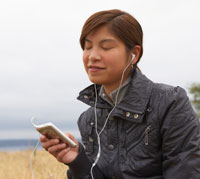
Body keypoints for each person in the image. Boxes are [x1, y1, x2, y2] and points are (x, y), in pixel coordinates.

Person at [40, 9, 200, 179]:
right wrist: (78, 161)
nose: (92, 56)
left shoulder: (170, 102)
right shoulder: (88, 120)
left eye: (106, 47)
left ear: (134, 54)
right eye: (87, 47)